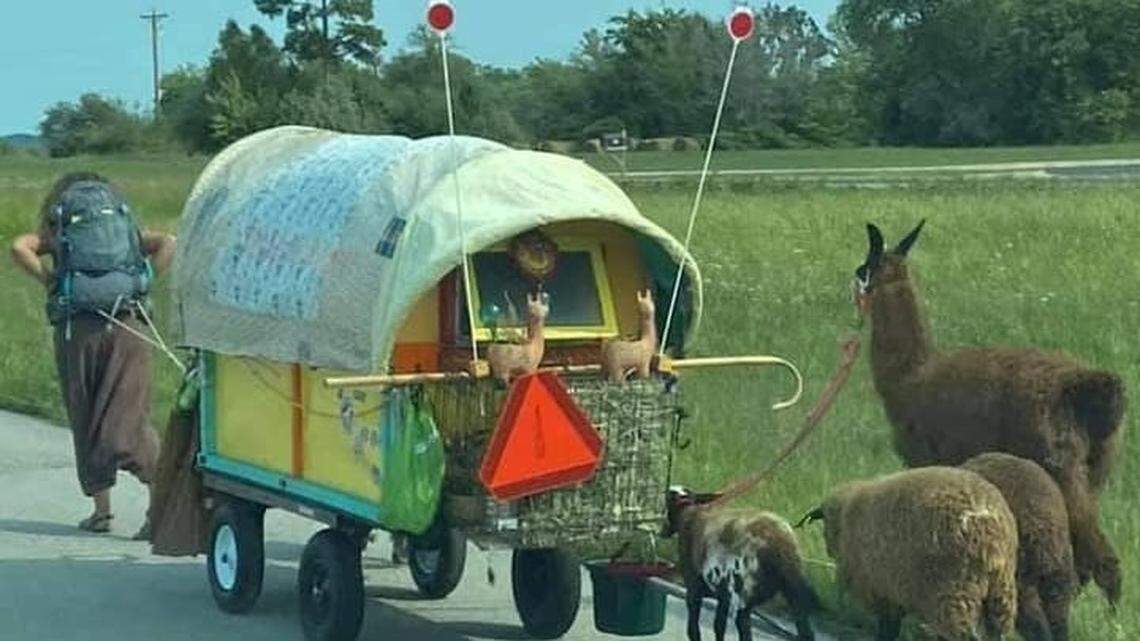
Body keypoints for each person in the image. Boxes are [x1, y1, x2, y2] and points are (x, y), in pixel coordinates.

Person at [9, 172, 176, 538]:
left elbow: (19, 247)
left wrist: (50, 281)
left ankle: (101, 512)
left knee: (84, 411)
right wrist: (143, 280)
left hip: (77, 331)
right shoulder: (123, 226)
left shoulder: (60, 225)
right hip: (130, 324)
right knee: (131, 415)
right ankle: (159, 505)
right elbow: (168, 243)